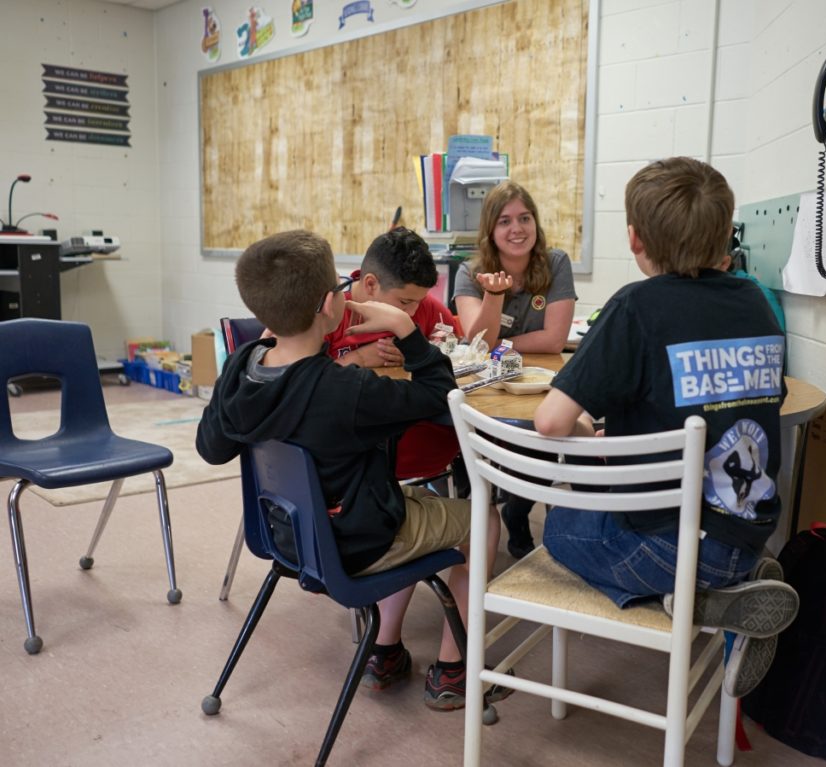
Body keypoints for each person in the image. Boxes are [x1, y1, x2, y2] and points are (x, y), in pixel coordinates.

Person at [195, 229, 507, 711]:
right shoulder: (348, 391)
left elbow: (211, 449)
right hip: (355, 542)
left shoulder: (242, 365)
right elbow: (438, 391)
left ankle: (384, 652)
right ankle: (453, 668)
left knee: (403, 502)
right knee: (484, 519)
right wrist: (406, 332)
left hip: (285, 535)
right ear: (329, 304)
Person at [533, 157, 798, 698]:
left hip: (668, 545)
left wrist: (591, 435)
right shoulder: (756, 303)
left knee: (559, 527)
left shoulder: (636, 306)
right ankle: (733, 580)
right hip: (748, 529)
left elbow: (551, 420)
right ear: (725, 233)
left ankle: (699, 600)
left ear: (635, 239)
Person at [452, 181, 577, 558]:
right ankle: (484, 508)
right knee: (472, 439)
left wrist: (499, 346)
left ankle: (518, 510)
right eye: (505, 221)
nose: (517, 229)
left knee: (545, 442)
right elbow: (478, 343)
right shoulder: (469, 272)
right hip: (488, 389)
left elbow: (554, 340)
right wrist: (493, 294)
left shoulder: (555, 264)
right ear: (491, 230)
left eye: (525, 218)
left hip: (539, 386)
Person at [324, 227, 460, 481]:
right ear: (371, 284)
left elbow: (459, 349)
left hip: (421, 439)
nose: (412, 312)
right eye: (405, 303)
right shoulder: (330, 312)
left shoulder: (421, 304)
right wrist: (358, 359)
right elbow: (305, 384)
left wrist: (417, 353)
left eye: (420, 301)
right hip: (353, 451)